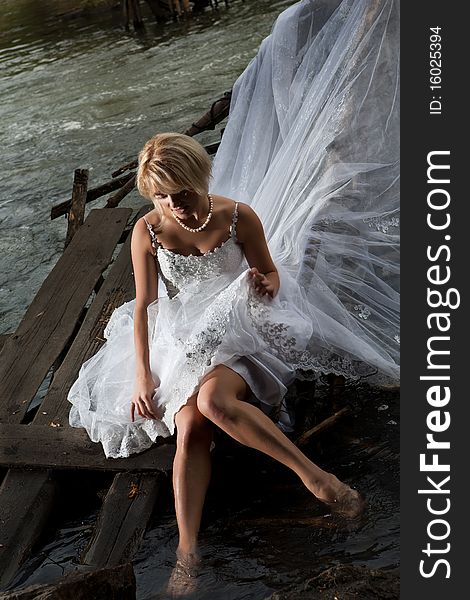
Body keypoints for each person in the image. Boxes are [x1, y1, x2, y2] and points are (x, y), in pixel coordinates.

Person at [68, 0, 399, 593]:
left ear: (201, 178)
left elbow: (268, 273)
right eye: (165, 197)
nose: (177, 206)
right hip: (182, 332)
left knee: (217, 406)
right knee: (192, 428)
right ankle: (188, 554)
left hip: (241, 324)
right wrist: (142, 375)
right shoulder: (146, 231)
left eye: (184, 192)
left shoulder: (239, 217)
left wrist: (265, 281)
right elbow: (144, 307)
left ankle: (319, 481)